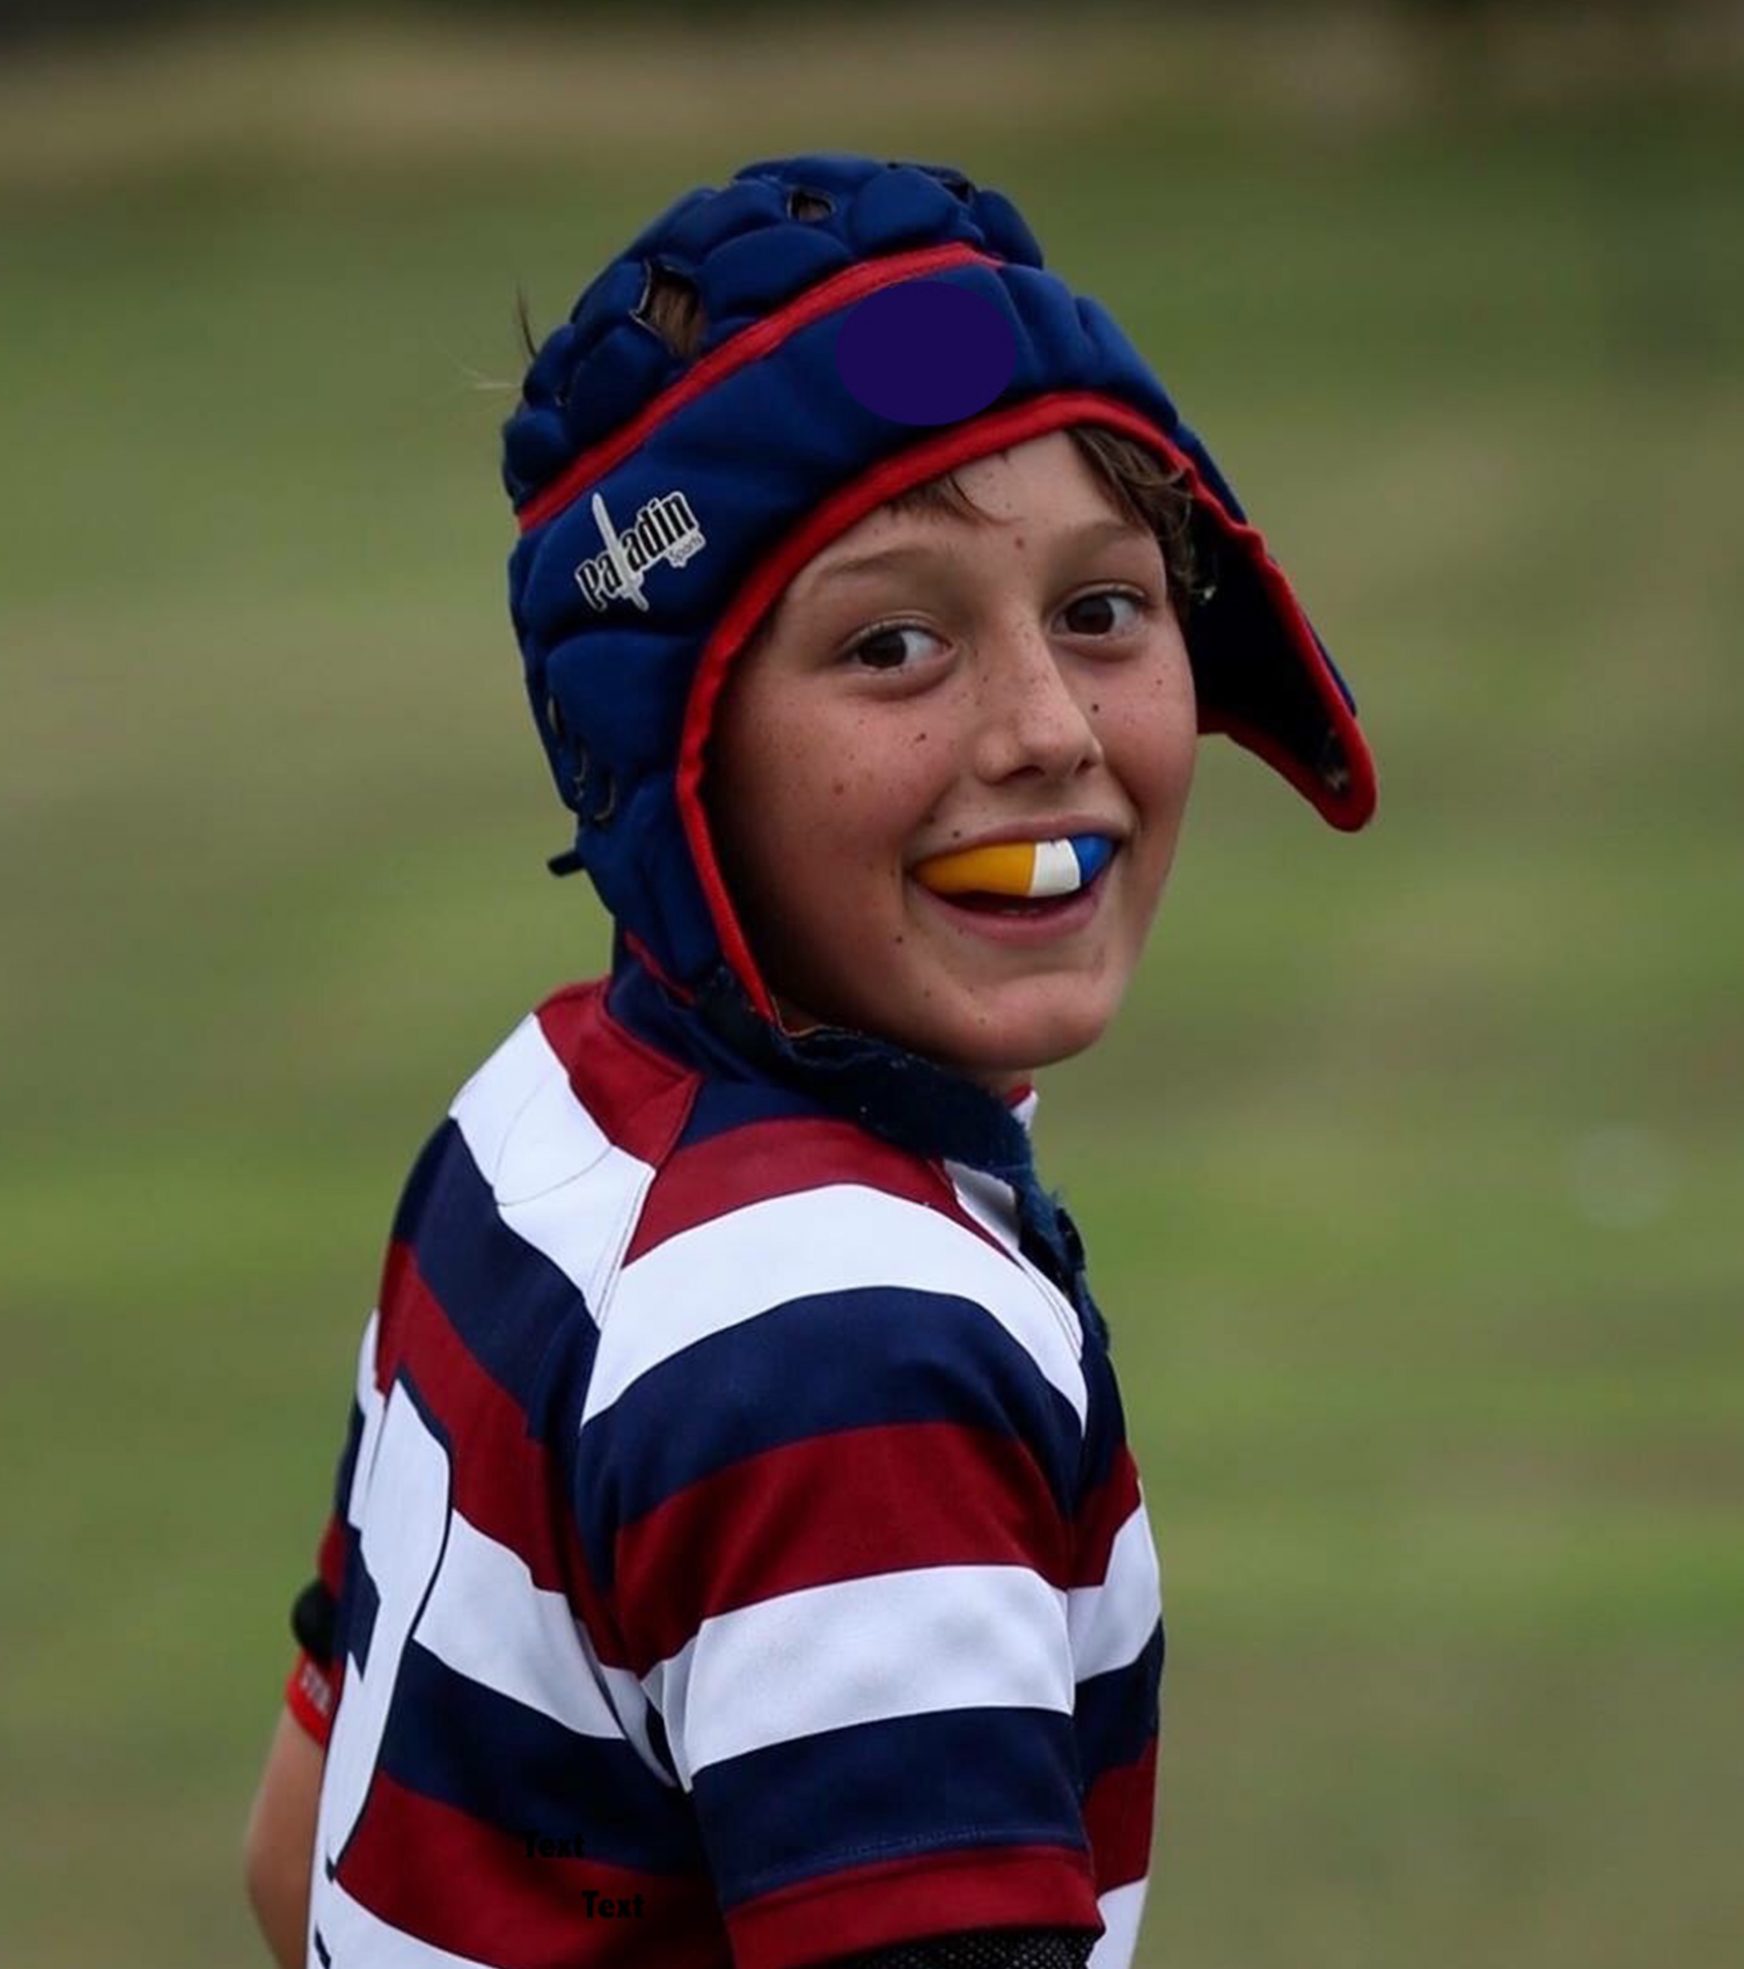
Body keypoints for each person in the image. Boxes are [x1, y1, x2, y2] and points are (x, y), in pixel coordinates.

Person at [241, 152, 1376, 1969]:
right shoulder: (843, 1347)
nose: (1045, 729)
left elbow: (297, 1858)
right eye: (892, 641)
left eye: (1103, 609)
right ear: (678, 752)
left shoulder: (536, 1113)